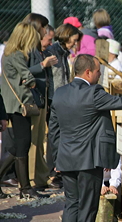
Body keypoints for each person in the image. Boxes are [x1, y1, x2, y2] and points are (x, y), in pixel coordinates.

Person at [48, 54, 122, 222]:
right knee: (88, 207)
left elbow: (54, 131)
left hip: (66, 159)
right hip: (88, 161)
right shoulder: (94, 92)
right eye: (98, 71)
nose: (100, 75)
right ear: (88, 72)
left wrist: (56, 160)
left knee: (72, 204)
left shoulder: (59, 93)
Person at [1, 22, 50, 199]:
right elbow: (28, 77)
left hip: (14, 103)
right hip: (19, 104)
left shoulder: (9, 53)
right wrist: (32, 81)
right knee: (23, 143)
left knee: (19, 145)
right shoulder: (17, 55)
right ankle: (26, 188)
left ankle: (24, 187)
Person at [24, 13, 59, 190]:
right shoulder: (27, 49)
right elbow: (23, 73)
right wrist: (43, 65)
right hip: (32, 99)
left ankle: (41, 178)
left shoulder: (38, 49)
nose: (46, 31)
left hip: (41, 98)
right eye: (44, 28)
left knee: (39, 140)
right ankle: (31, 180)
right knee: (33, 142)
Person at [44, 23, 83, 101]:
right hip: (53, 98)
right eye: (74, 40)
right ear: (66, 37)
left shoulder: (64, 53)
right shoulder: (51, 52)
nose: (75, 44)